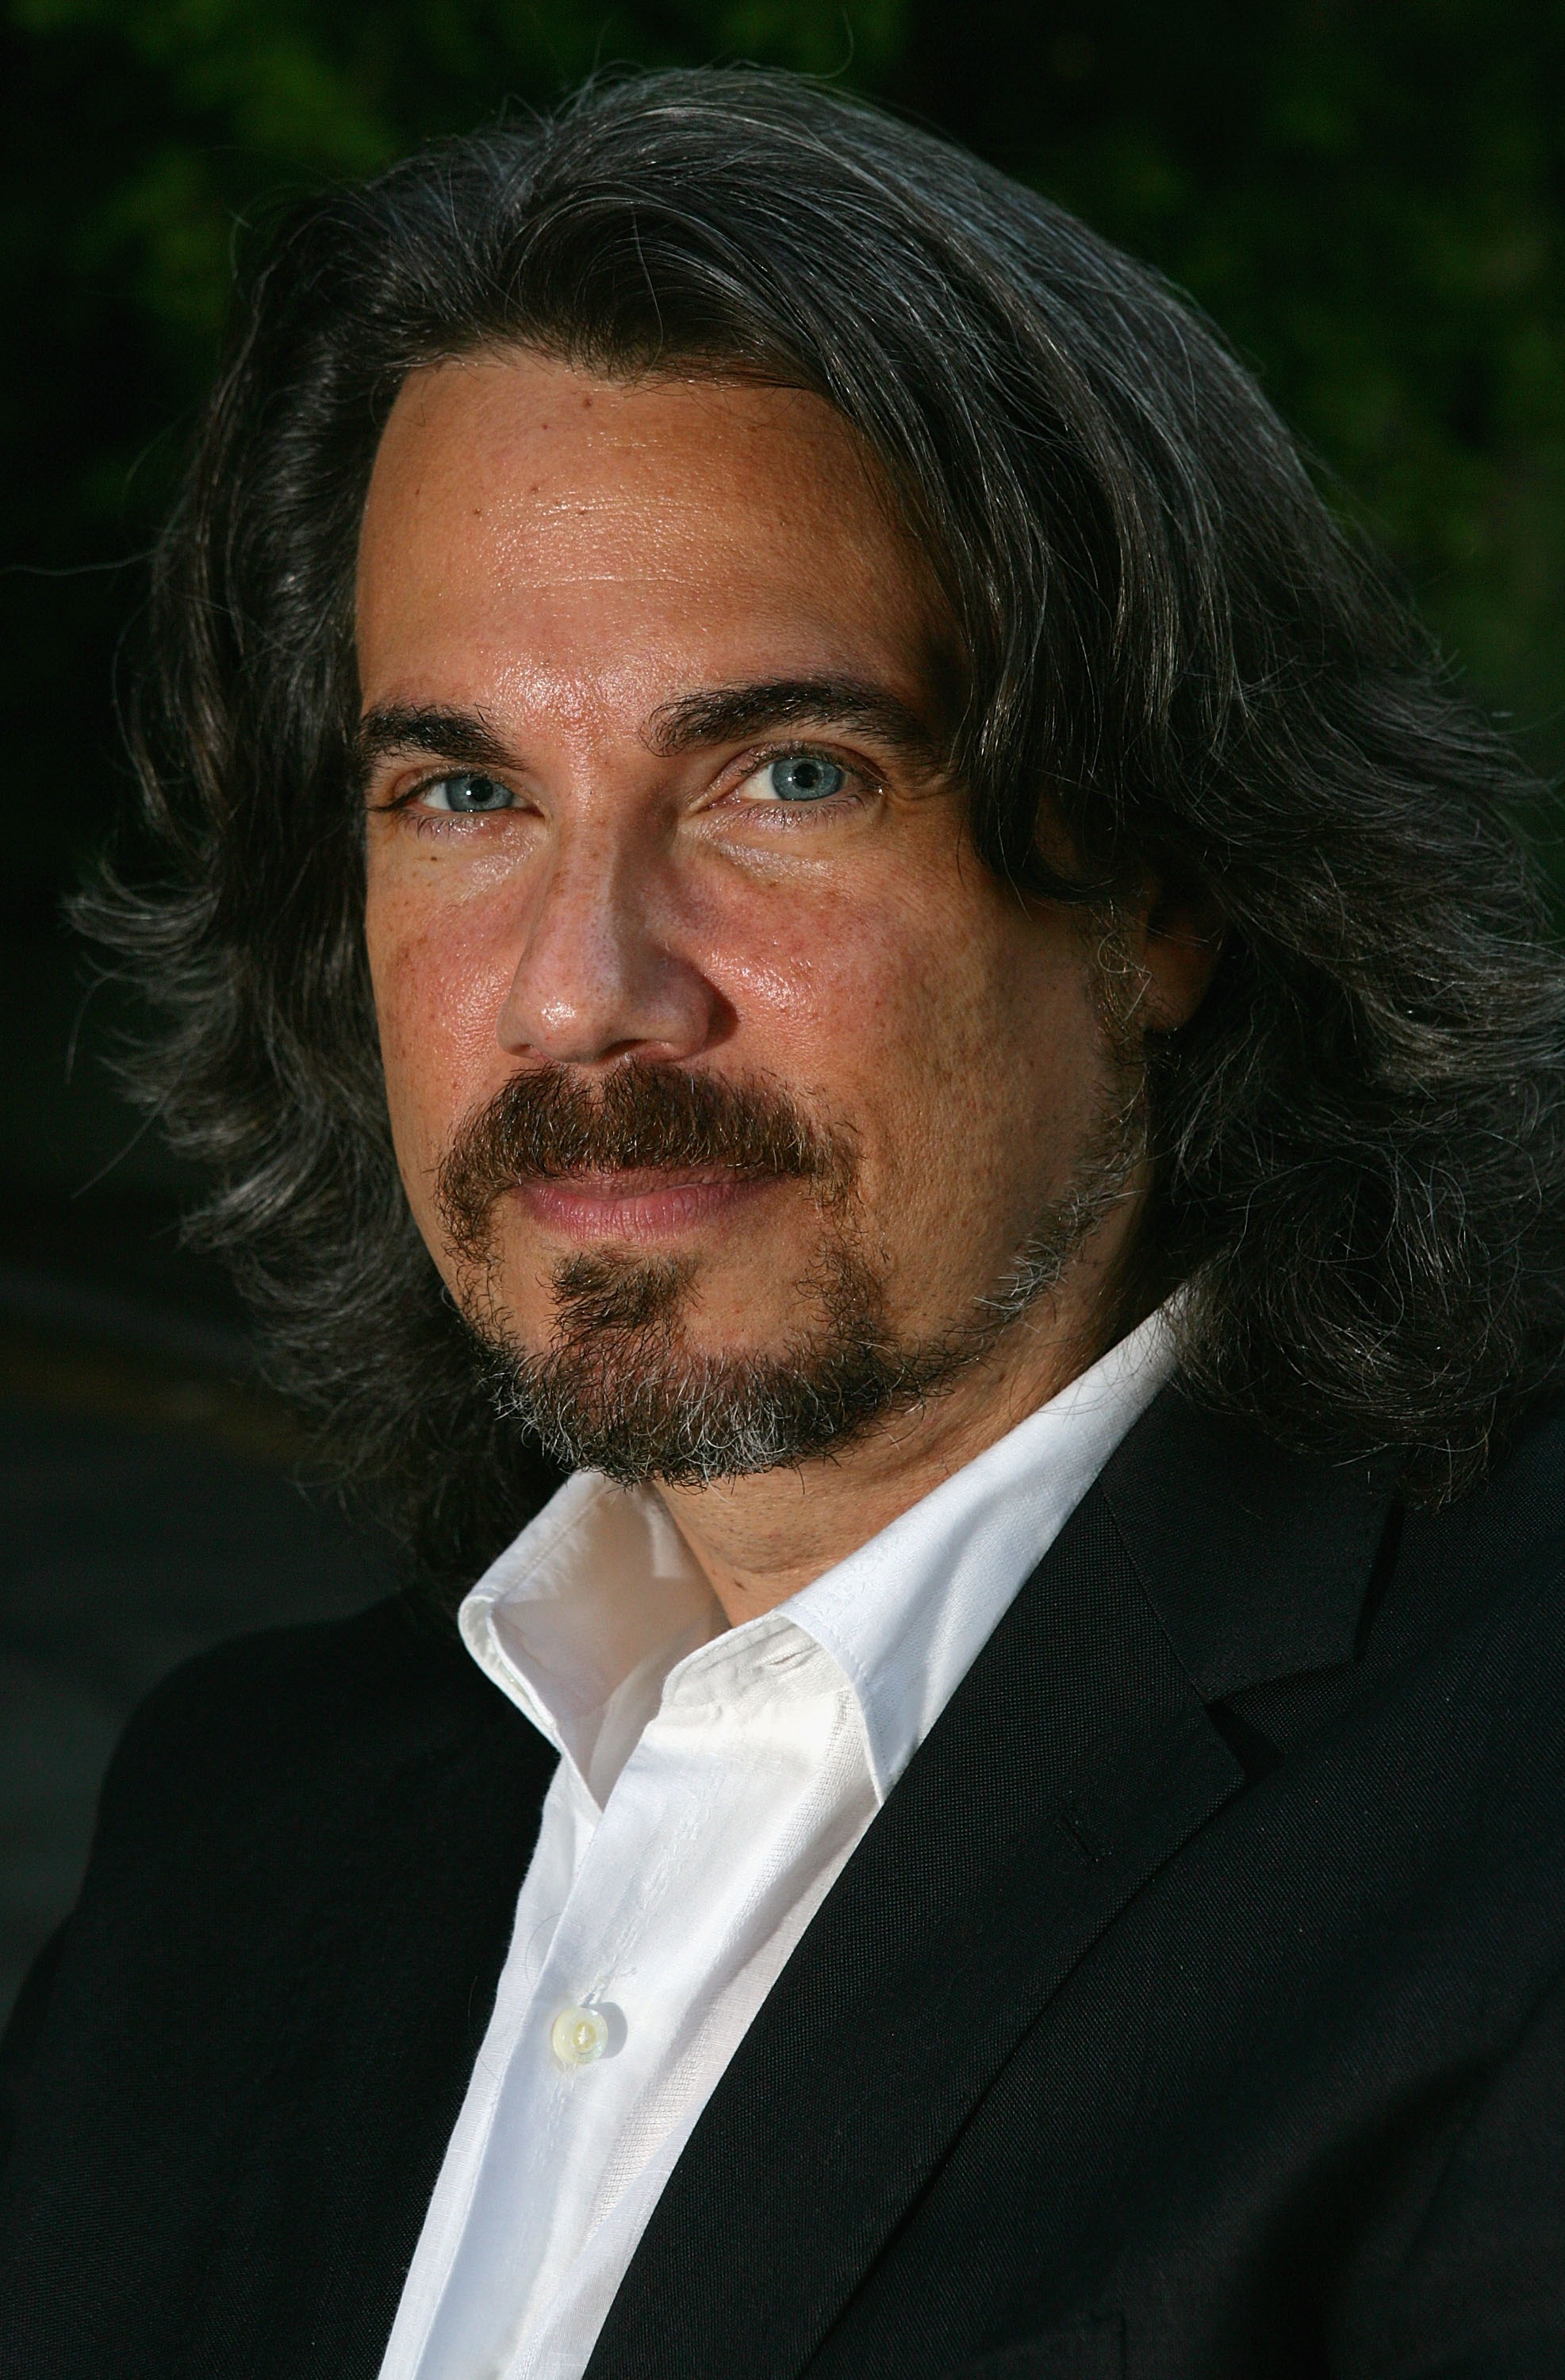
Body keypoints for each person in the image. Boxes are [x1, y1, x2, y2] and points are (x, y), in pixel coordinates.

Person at [2, 65, 1564, 2380]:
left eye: (787, 776)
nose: (578, 985)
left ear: (1161, 881)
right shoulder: (244, 1831)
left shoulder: (1512, 1856)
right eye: (458, 791)